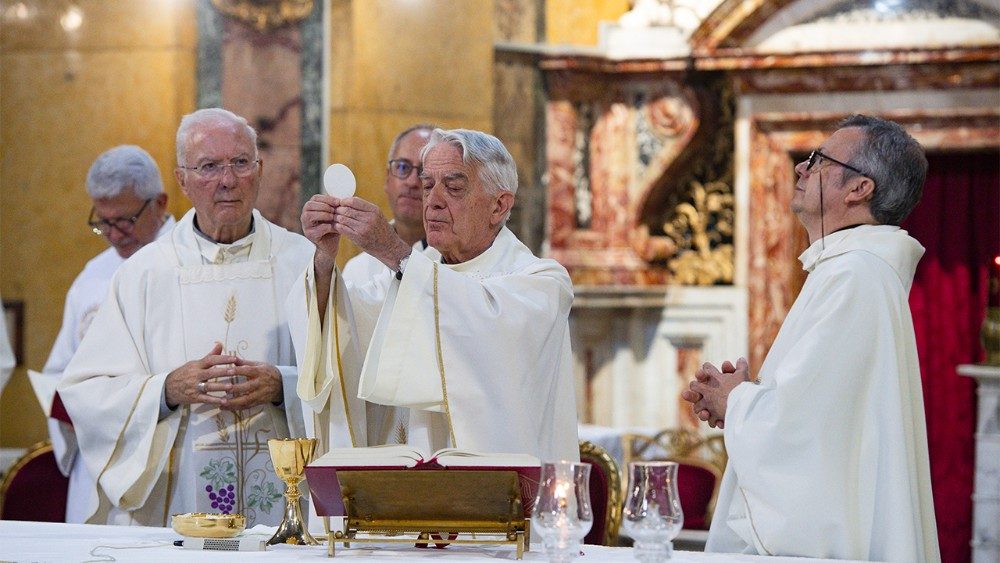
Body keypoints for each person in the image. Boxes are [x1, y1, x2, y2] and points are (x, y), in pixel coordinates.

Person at [682, 115, 939, 562]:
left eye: (820, 160)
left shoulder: (855, 275)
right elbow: (823, 417)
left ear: (859, 188)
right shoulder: (849, 269)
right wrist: (744, 397)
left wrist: (736, 401)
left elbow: (799, 432)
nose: (802, 167)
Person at [58, 108, 314, 527]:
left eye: (240, 162)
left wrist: (282, 385)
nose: (227, 180)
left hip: (282, 510)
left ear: (260, 170)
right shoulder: (144, 273)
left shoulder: (302, 263)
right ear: (182, 180)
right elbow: (88, 390)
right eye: (208, 166)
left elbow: (344, 381)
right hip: (175, 502)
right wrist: (166, 389)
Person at [294, 128, 578, 461]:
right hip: (402, 485)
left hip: (495, 490)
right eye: (429, 185)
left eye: (454, 187)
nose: (433, 200)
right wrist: (324, 258)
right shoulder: (413, 271)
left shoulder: (542, 283)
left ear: (499, 206)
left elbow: (484, 331)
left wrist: (393, 251)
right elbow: (344, 328)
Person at [40, 145, 175, 523]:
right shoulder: (91, 277)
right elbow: (60, 372)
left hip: (164, 455)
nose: (113, 234)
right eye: (103, 222)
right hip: (97, 453)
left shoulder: (187, 264)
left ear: (160, 203)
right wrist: (71, 403)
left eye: (125, 221)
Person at [341, 124, 437, 286]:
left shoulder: (458, 262)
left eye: (424, 172)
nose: (412, 182)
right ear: (387, 179)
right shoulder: (358, 269)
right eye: (402, 167)